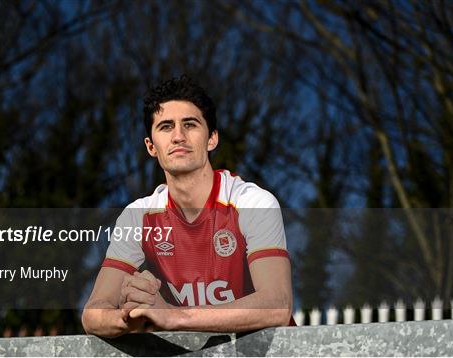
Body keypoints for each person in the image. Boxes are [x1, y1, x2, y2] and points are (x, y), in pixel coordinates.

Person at [82, 75, 295, 337]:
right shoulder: (139, 217)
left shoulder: (252, 202)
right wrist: (134, 316)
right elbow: (93, 313)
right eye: (166, 127)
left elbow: (277, 305)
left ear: (212, 138)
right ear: (151, 146)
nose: (178, 136)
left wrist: (173, 315)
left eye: (190, 124)